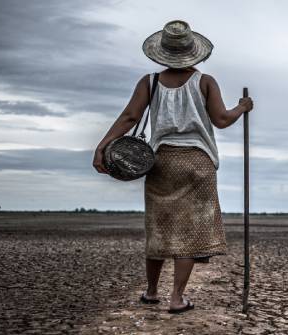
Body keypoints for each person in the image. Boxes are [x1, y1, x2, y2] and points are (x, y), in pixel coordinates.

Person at [93, 20, 253, 313]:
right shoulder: (205, 81)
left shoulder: (149, 82)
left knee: (158, 226)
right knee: (189, 232)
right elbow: (221, 120)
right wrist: (242, 108)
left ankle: (151, 291)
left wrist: (103, 145)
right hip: (198, 162)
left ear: (163, 52)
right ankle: (177, 298)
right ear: (194, 52)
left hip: (161, 161)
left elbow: (130, 117)